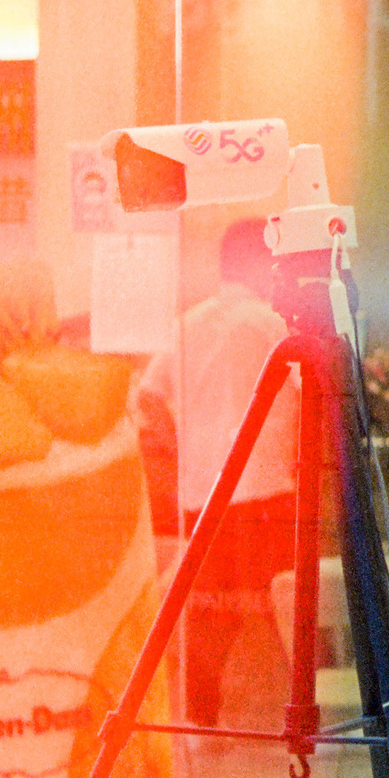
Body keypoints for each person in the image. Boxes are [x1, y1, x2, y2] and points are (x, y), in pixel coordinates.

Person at [136, 218, 306, 736]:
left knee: (210, 616)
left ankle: (203, 721)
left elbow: (144, 398)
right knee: (288, 610)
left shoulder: (187, 324)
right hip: (266, 493)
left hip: (201, 495)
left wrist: (181, 449)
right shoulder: (273, 325)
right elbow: (311, 396)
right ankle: (299, 720)